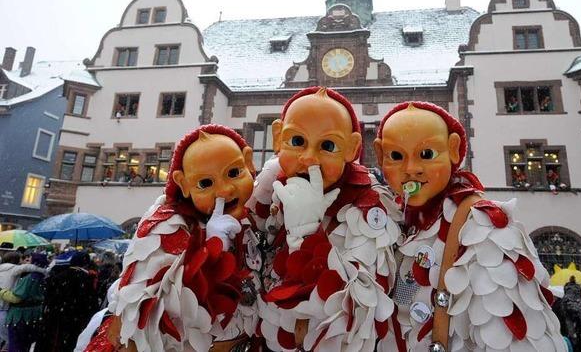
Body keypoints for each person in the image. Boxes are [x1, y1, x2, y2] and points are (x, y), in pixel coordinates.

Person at [374, 101, 566, 350]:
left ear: (453, 150)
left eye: (427, 154)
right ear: (380, 157)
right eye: (396, 156)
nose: (412, 169)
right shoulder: (399, 221)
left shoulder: (484, 225)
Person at [250, 87, 399, 351]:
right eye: (296, 141)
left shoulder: (368, 206)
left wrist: (308, 233)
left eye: (328, 146)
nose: (309, 159)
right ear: (277, 138)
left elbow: (362, 303)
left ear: (352, 148)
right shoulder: (271, 183)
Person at [86, 125, 259, 352]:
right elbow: (146, 319)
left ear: (248, 163)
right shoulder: (168, 227)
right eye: (205, 183)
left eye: (234, 173)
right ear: (184, 184)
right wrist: (211, 251)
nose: (224, 190)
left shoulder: (254, 218)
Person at [34, 251, 99, 352]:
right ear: (86, 264)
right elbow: (90, 304)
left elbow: (48, 299)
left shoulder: (57, 277)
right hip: (74, 322)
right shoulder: (87, 280)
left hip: (53, 320)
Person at [0, 253, 48, 352]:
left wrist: (1, 291)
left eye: (28, 260)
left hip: (20, 316)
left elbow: (16, 298)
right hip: (33, 315)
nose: (25, 261)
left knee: (15, 344)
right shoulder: (42, 277)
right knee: (23, 344)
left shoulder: (30, 278)